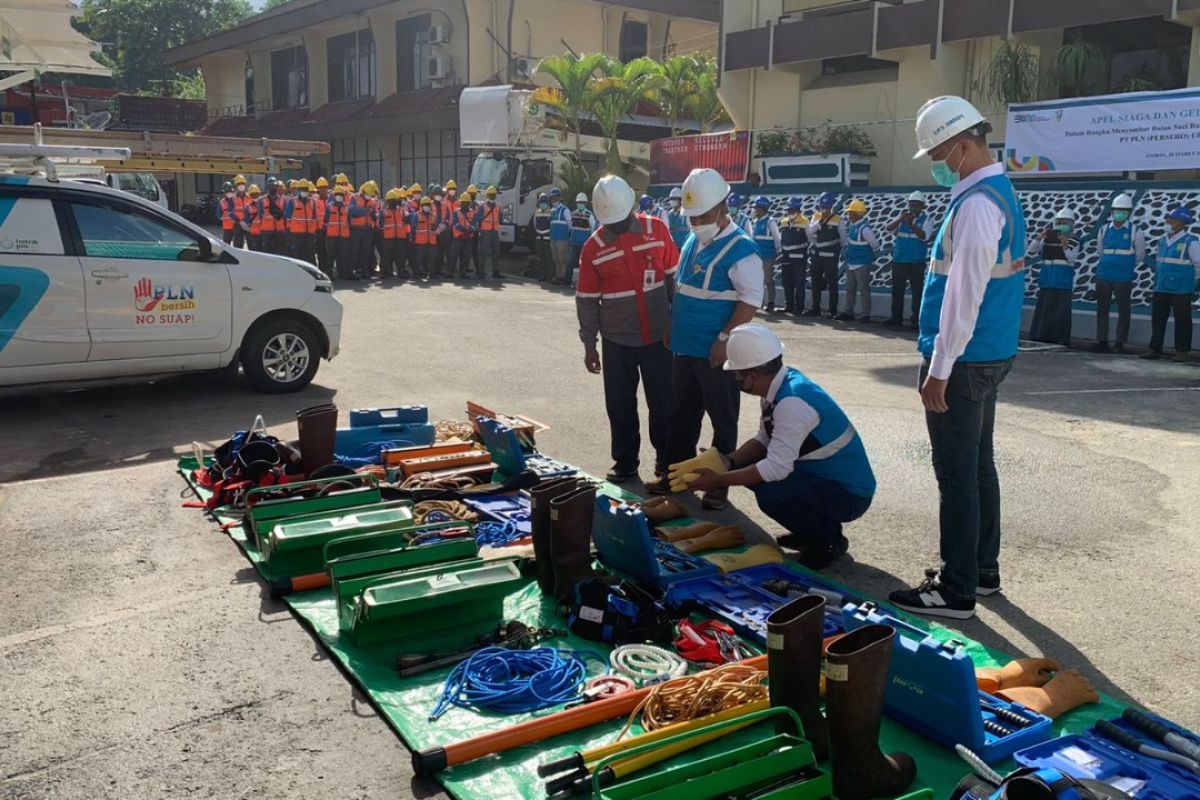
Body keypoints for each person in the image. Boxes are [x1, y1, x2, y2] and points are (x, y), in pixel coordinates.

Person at [889, 95, 1028, 620]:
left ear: (964, 146)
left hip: (964, 359)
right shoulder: (996, 191)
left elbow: (963, 295)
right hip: (990, 353)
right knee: (978, 466)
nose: (936, 165)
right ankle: (983, 572)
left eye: (939, 154)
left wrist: (939, 369)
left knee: (956, 474)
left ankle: (956, 590)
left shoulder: (976, 205)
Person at [685, 324, 875, 569]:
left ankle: (826, 541)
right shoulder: (780, 386)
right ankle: (811, 528)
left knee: (772, 493)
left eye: (737, 374)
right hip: (824, 479)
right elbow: (764, 439)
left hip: (850, 493)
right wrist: (729, 461)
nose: (735, 379)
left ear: (752, 374)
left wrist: (719, 480)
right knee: (755, 476)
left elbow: (776, 468)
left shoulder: (792, 402)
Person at [650, 168, 763, 509]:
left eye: (702, 215)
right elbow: (682, 288)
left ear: (722, 207)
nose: (695, 221)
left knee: (722, 420)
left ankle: (718, 486)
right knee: (680, 415)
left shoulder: (742, 249)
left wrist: (725, 338)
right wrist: (672, 323)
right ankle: (675, 476)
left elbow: (750, 300)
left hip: (716, 352)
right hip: (685, 346)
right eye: (691, 216)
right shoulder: (693, 240)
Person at [576, 175, 680, 484]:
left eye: (620, 222)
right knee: (619, 405)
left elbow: (675, 279)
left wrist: (676, 325)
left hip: (659, 337)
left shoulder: (657, 230)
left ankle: (666, 461)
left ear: (632, 209)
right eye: (610, 223)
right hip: (616, 340)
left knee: (663, 402)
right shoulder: (593, 247)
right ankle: (625, 461)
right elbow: (587, 300)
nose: (615, 229)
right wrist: (589, 344)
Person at [1141, 206, 1200, 361]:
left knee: (1182, 320)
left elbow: (1198, 264)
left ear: (1181, 223)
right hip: (1161, 285)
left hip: (1181, 288)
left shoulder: (1190, 241)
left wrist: (1193, 281)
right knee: (1158, 319)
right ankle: (1154, 348)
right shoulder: (1162, 240)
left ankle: (1182, 351)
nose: (1167, 221)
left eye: (1171, 219)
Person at [1090, 193, 1146, 354]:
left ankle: (1119, 342)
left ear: (1129, 212)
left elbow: (1140, 255)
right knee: (1102, 309)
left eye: (1124, 210)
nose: (1120, 213)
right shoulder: (1104, 229)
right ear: (1112, 211)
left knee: (1123, 310)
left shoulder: (1136, 231)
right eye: (1117, 210)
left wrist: (1125, 265)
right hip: (1104, 274)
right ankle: (1102, 340)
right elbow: (1100, 251)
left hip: (1123, 276)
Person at [1027, 208, 1079, 347]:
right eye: (1059, 221)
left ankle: (1060, 337)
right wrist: (1039, 237)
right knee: (1044, 310)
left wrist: (1064, 244)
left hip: (1062, 281)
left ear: (1071, 224)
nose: (1061, 224)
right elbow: (1032, 249)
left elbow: (1071, 257)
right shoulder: (1048, 239)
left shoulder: (1074, 240)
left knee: (1060, 311)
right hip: (1047, 279)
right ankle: (1041, 335)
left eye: (1065, 222)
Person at [885, 191, 933, 327]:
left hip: (916, 261)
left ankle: (916, 320)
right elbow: (888, 228)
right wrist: (901, 219)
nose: (913, 208)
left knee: (917, 291)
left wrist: (912, 225)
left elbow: (925, 236)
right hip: (899, 259)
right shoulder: (902, 218)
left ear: (922, 207)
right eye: (911, 205)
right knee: (897, 290)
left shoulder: (927, 220)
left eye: (917, 205)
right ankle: (896, 317)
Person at [805, 193, 846, 319]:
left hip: (831, 256)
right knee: (815, 283)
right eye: (823, 207)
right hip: (817, 256)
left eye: (827, 208)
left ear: (831, 207)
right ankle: (815, 308)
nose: (825, 210)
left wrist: (841, 252)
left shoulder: (838, 220)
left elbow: (843, 239)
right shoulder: (816, 217)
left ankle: (832, 310)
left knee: (832, 284)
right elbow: (810, 234)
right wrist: (817, 224)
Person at [839, 199, 879, 322]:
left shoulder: (864, 229)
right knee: (850, 288)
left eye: (850, 212)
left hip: (861, 264)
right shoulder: (853, 226)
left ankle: (865, 314)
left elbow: (875, 245)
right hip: (851, 262)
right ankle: (848, 312)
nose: (848, 214)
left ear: (856, 214)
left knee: (863, 289)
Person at [749, 196, 782, 313]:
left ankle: (771, 303)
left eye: (756, 208)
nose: (754, 210)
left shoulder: (770, 222)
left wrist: (776, 253)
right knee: (758, 281)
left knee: (768, 280)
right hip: (757, 257)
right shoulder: (755, 222)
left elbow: (777, 239)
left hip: (767, 257)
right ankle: (759, 302)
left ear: (763, 209)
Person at [777, 198, 810, 315]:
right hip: (786, 257)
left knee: (799, 282)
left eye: (792, 210)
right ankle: (789, 305)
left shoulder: (805, 223)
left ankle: (799, 307)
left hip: (799, 257)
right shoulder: (784, 222)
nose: (790, 212)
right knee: (787, 281)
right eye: (789, 210)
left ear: (798, 210)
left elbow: (810, 239)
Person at [284, 179, 319, 264]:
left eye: (306, 189)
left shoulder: (312, 202)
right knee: (296, 256)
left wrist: (313, 232)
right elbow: (287, 216)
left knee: (310, 257)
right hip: (296, 235)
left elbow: (314, 218)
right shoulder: (292, 202)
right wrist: (289, 232)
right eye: (302, 189)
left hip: (309, 235)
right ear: (299, 190)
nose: (304, 191)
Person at [568, 192, 597, 287]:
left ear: (585, 203)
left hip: (584, 243)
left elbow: (592, 229)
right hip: (574, 242)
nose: (580, 204)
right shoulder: (573, 213)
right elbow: (570, 227)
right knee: (571, 262)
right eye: (579, 202)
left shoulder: (589, 215)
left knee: (583, 264)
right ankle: (568, 281)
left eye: (582, 202)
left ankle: (582, 283)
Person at [323, 185, 352, 279]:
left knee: (344, 255)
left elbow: (349, 221)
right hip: (332, 235)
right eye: (337, 194)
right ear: (334, 196)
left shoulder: (347, 207)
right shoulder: (329, 207)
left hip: (344, 235)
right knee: (330, 255)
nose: (339, 196)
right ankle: (329, 273)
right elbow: (325, 220)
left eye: (341, 195)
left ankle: (344, 273)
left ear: (343, 196)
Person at [377, 188, 408, 279]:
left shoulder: (401, 211)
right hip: (388, 237)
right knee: (386, 256)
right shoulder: (384, 212)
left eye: (394, 201)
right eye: (391, 201)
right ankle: (384, 272)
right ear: (387, 202)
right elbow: (380, 224)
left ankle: (401, 272)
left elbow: (407, 219)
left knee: (400, 256)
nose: (393, 203)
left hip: (400, 237)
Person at [476, 185, 503, 280]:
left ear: (495, 196)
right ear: (487, 196)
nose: (492, 197)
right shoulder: (482, 206)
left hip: (495, 232)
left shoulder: (499, 206)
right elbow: (478, 218)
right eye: (490, 195)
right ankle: (481, 272)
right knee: (483, 253)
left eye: (493, 195)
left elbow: (500, 218)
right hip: (485, 232)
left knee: (496, 253)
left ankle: (496, 271)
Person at [411, 196, 439, 279]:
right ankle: (416, 273)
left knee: (432, 259)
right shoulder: (417, 216)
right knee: (419, 258)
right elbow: (413, 228)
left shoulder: (434, 216)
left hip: (432, 241)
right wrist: (413, 240)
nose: (426, 207)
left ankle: (432, 273)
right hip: (420, 242)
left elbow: (436, 227)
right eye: (425, 205)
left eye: (428, 205)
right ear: (422, 206)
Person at [259, 178, 288, 255]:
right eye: (270, 186)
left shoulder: (284, 200)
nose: (272, 188)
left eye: (274, 186)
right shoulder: (262, 200)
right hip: (267, 231)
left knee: (280, 253)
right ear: (268, 187)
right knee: (266, 253)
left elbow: (285, 215)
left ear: (277, 187)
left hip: (280, 231)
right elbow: (260, 215)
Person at [548, 187, 571, 284]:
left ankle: (563, 277)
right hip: (553, 238)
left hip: (562, 239)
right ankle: (558, 276)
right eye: (552, 197)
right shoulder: (552, 211)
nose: (554, 199)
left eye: (555, 197)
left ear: (559, 197)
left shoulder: (565, 210)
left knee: (562, 259)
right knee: (555, 258)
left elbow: (570, 224)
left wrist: (567, 237)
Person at [531, 192, 553, 281]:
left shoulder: (551, 212)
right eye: (541, 202)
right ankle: (542, 275)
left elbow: (552, 225)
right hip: (539, 239)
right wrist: (539, 233)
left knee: (549, 258)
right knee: (541, 258)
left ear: (547, 203)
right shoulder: (536, 212)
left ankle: (550, 275)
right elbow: (535, 224)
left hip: (548, 239)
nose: (543, 204)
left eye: (544, 202)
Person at [313, 176, 331, 273]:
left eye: (325, 187)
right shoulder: (314, 201)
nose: (323, 189)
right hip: (319, 230)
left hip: (330, 230)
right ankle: (321, 269)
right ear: (318, 189)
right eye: (321, 187)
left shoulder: (331, 200)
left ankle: (329, 270)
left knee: (329, 251)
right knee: (320, 250)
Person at [245, 184, 262, 252]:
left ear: (259, 194)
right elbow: (247, 222)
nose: (255, 196)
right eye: (252, 194)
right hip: (253, 235)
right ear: (250, 196)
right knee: (253, 252)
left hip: (263, 234)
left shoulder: (264, 204)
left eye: (256, 194)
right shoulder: (247, 207)